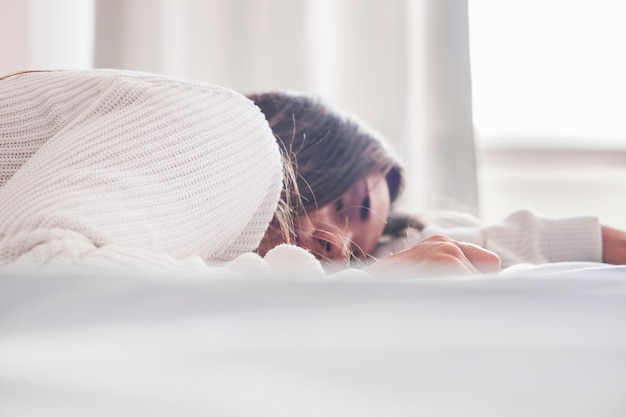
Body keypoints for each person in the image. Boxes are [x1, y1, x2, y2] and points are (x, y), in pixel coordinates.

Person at [0, 69, 499, 278]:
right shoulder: (232, 131)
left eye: (355, 251)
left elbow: (490, 249)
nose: (336, 248)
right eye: (348, 207)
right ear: (302, 145)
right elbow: (34, 269)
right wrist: (356, 291)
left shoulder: (212, 234)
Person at [247, 91, 626, 273]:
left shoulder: (404, 248)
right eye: (340, 205)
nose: (335, 243)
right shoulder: (213, 239)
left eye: (355, 251)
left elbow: (543, 237)